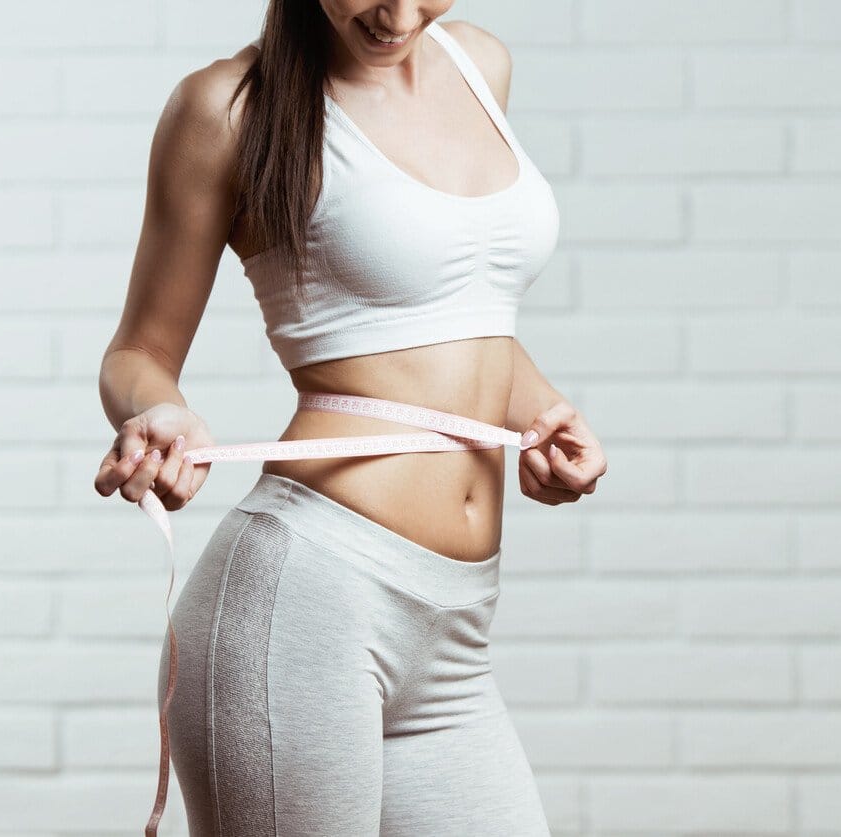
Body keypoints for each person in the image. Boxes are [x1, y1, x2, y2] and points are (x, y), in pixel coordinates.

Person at [93, 2, 608, 835]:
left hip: (457, 628)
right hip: (306, 602)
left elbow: (452, 311)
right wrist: (160, 411)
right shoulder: (227, 109)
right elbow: (138, 351)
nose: (397, 13)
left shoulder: (481, 64)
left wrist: (544, 410)